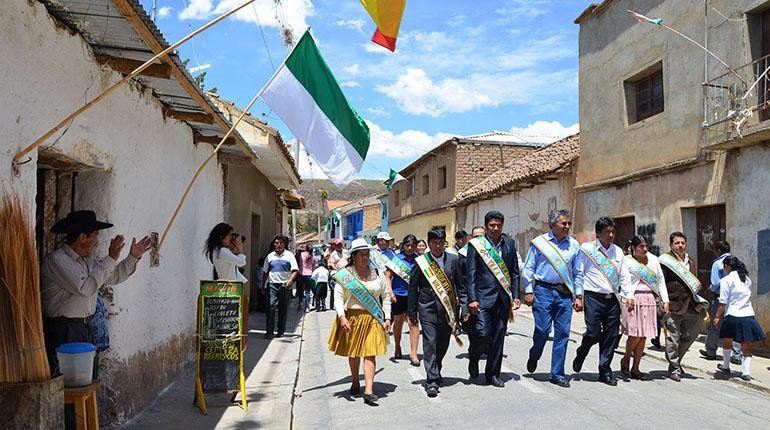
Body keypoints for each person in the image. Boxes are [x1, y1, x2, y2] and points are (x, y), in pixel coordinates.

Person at [41, 210, 152, 377]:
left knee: (85, 381)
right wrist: (111, 258)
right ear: (83, 237)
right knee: (67, 385)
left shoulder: (87, 261)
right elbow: (86, 287)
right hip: (63, 330)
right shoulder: (57, 261)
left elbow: (112, 276)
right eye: (95, 235)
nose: (97, 240)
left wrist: (132, 258)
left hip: (83, 328)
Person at [327, 238, 392, 406]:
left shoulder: (377, 273)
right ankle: (355, 380)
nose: (365, 257)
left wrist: (387, 317)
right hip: (352, 318)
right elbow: (339, 297)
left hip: (372, 318)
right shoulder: (346, 275)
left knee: (370, 352)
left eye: (367, 254)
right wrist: (342, 317)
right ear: (353, 257)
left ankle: (368, 390)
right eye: (361, 254)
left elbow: (385, 296)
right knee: (354, 353)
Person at [523, 209, 580, 388]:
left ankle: (557, 373)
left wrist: (578, 295)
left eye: (569, 223)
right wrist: (528, 290)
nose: (567, 226)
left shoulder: (574, 245)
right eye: (564, 223)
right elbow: (528, 268)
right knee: (542, 330)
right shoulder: (540, 243)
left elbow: (578, 273)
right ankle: (535, 354)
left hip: (564, 293)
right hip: (543, 291)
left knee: (562, 334)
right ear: (553, 225)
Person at [466, 211, 520, 387]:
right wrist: (472, 298)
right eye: (492, 225)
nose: (495, 228)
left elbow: (514, 272)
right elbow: (471, 274)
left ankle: (493, 374)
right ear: (486, 226)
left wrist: (516, 296)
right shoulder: (477, 245)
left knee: (498, 337)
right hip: (482, 298)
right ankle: (473, 358)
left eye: (498, 225)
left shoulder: (510, 244)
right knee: (482, 333)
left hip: (503, 299)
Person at [408, 228, 464, 397]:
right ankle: (431, 380)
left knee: (443, 343)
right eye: (434, 243)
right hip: (428, 308)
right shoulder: (421, 262)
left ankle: (436, 368)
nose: (438, 246)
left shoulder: (454, 260)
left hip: (448, 311)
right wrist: (412, 312)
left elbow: (461, 286)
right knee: (430, 343)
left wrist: (465, 306)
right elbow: (413, 288)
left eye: (441, 243)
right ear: (429, 244)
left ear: (445, 243)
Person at [572, 217, 624, 386]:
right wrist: (578, 296)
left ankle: (605, 370)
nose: (610, 235)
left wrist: (628, 296)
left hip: (612, 299)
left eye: (612, 232)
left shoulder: (618, 252)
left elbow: (624, 276)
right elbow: (579, 273)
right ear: (598, 233)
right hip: (593, 297)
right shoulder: (587, 249)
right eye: (607, 232)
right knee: (593, 333)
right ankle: (582, 351)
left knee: (611, 335)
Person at [658, 232, 709, 382]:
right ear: (671, 245)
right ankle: (674, 367)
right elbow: (660, 283)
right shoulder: (665, 261)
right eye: (677, 243)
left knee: (690, 335)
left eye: (682, 243)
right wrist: (662, 301)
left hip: (692, 306)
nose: (680, 245)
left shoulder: (691, 261)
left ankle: (676, 362)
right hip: (673, 305)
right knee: (672, 338)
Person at [619, 235, 669, 380]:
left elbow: (660, 281)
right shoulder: (627, 261)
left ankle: (636, 368)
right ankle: (626, 358)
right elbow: (624, 280)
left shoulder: (653, 259)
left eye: (646, 246)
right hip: (633, 299)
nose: (645, 249)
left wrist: (665, 299)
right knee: (635, 334)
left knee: (644, 335)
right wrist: (628, 296)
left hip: (649, 299)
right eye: (641, 246)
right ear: (634, 248)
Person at [714, 256, 766, 381]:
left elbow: (723, 302)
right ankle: (746, 372)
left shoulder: (726, 280)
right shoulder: (747, 279)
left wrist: (716, 317)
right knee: (746, 345)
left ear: (727, 266)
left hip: (732, 315)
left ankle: (725, 366)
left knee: (727, 342)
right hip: (747, 315)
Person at [701, 241, 742, 364]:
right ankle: (737, 355)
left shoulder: (718, 263)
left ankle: (711, 351)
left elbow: (715, 284)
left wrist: (710, 289)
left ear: (718, 250)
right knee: (734, 326)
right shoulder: (736, 262)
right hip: (735, 300)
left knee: (714, 325)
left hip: (720, 299)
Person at [388, 235, 421, 365]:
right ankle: (397, 345)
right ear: (403, 245)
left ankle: (414, 353)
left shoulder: (419, 260)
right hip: (399, 295)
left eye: (412, 246)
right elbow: (388, 276)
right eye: (407, 245)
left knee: (414, 322)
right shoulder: (396, 259)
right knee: (398, 323)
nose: (410, 248)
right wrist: (390, 292)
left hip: (413, 296)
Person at [262, 235, 298, 339]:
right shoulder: (269, 257)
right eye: (276, 243)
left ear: (284, 244)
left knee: (283, 309)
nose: (278, 245)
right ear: (273, 244)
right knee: (271, 307)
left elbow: (295, 270)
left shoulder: (289, 255)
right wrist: (263, 286)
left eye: (281, 243)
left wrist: (290, 280)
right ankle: (269, 331)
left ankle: (280, 330)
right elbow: (265, 272)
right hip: (272, 284)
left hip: (284, 285)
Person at [327, 239, 345, 311]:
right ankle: (333, 305)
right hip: (338, 273)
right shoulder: (333, 254)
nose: (339, 246)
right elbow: (330, 264)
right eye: (337, 245)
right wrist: (337, 270)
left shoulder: (346, 252)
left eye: (340, 244)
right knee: (335, 290)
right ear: (335, 246)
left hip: (347, 273)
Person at [299, 244, 317, 312]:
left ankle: (300, 303)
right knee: (307, 291)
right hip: (309, 274)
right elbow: (313, 268)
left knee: (300, 289)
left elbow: (300, 263)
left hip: (301, 273)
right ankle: (307, 307)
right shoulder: (313, 257)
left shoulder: (302, 254)